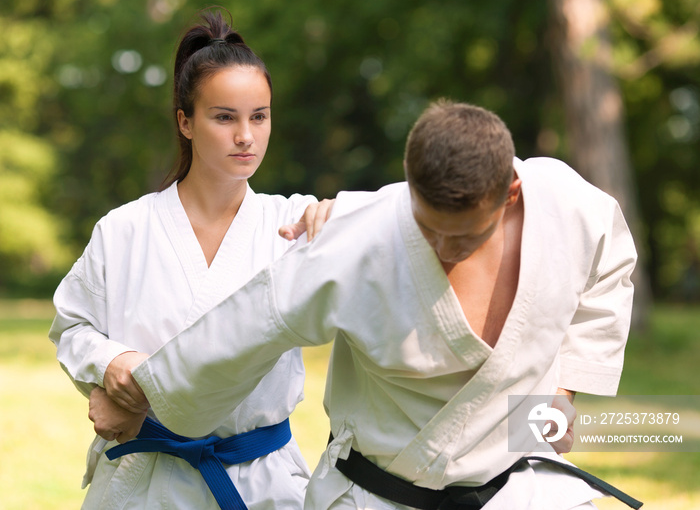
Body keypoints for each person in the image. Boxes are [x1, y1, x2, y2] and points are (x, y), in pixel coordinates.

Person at [111, 101, 641, 509]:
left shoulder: (566, 206)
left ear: (511, 194)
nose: (445, 249)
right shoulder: (357, 240)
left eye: (466, 237)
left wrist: (561, 392)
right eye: (428, 229)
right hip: (377, 495)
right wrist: (140, 395)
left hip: (520, 488)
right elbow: (244, 327)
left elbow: (610, 264)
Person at [49, 10, 333, 510]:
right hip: (144, 483)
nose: (245, 135)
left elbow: (390, 251)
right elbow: (72, 326)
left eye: (259, 116)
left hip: (259, 483)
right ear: (186, 122)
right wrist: (111, 362)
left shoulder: (296, 224)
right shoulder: (125, 229)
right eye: (224, 117)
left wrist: (346, 218)